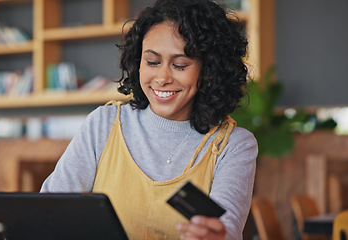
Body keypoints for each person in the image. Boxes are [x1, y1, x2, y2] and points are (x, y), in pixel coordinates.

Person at [40, 0, 257, 239]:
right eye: (152, 62)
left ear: (209, 71)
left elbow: (228, 230)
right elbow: (50, 211)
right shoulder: (103, 124)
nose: (162, 77)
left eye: (180, 65)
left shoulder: (234, 145)